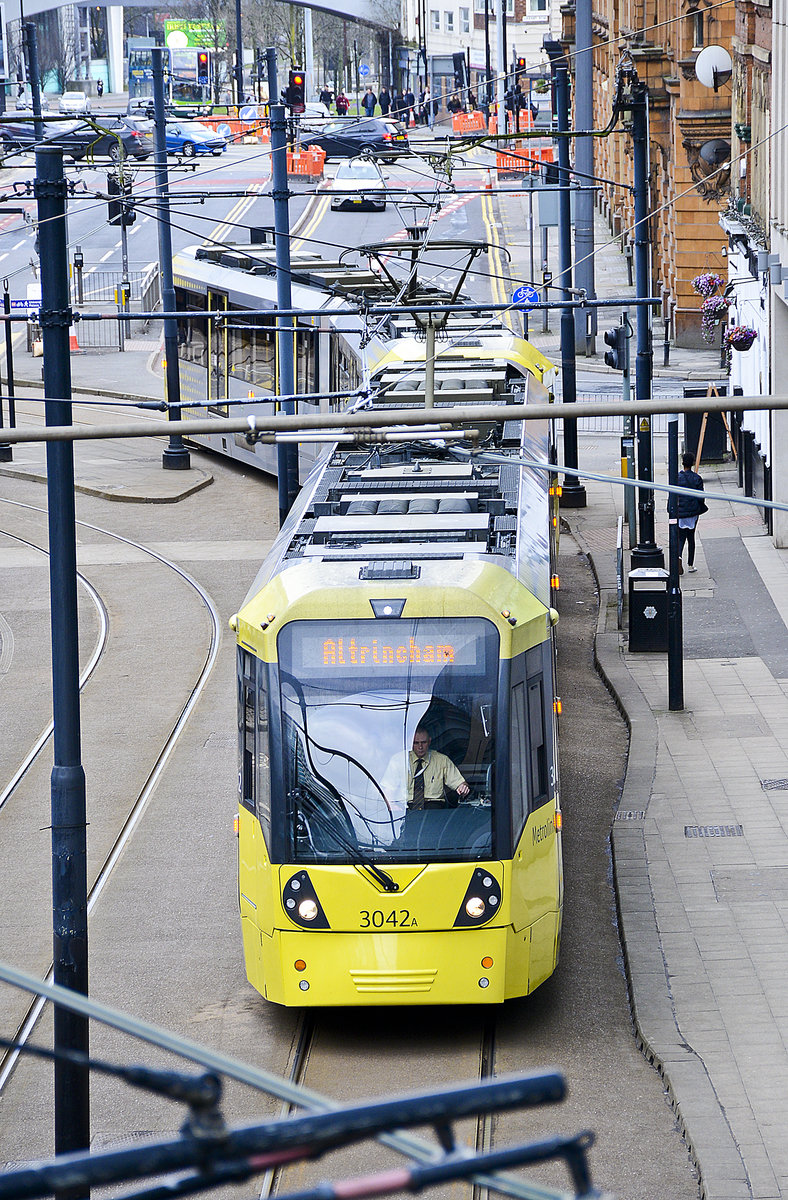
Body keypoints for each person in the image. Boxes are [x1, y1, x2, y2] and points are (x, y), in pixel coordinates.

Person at [404, 727, 470, 809]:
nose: (420, 747)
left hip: (434, 807)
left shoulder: (442, 760)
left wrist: (462, 788)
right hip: (406, 807)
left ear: (429, 741)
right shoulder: (400, 760)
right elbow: (388, 789)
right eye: (416, 743)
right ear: (410, 743)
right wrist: (392, 806)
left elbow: (460, 783)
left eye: (423, 742)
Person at [677, 450, 706, 573]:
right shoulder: (697, 478)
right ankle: (690, 565)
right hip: (693, 512)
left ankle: (678, 557)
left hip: (680, 512)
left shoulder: (677, 478)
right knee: (691, 538)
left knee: (680, 538)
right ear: (693, 463)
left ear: (682, 463)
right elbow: (701, 496)